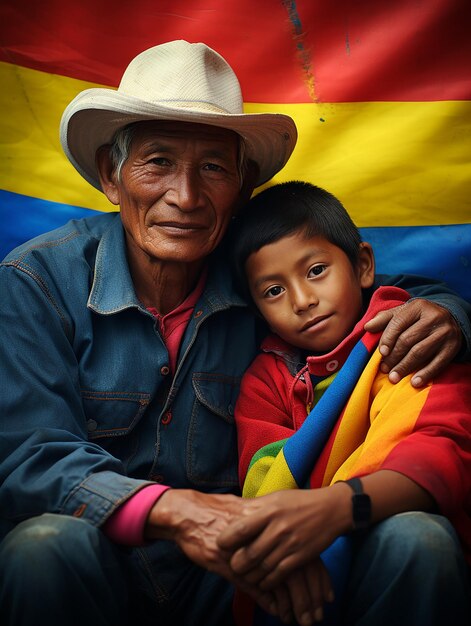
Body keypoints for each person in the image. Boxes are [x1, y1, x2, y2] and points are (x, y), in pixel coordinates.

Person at [0, 40, 470, 626]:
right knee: (43, 546)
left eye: (214, 169)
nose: (187, 196)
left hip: (232, 575)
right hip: (104, 562)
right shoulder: (36, 281)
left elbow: (375, 292)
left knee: (416, 539)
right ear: (111, 177)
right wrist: (180, 512)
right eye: (158, 162)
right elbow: (28, 455)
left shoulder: (263, 280)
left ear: (242, 189)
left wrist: (448, 313)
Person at [223, 180, 471, 625]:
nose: (303, 301)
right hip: (308, 557)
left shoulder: (406, 338)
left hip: (387, 530)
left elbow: (439, 452)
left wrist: (337, 506)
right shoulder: (267, 378)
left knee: (419, 536)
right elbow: (262, 481)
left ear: (362, 265)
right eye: (273, 291)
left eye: (316, 270)